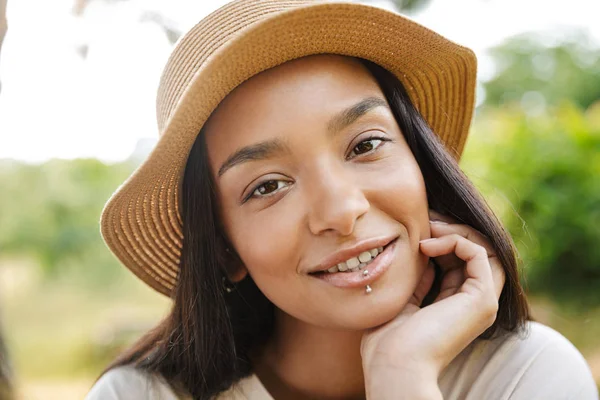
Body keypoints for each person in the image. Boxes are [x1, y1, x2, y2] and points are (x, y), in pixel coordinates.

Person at [85, 1, 599, 399]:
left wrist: (403, 375)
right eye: (267, 186)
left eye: (366, 145)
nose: (341, 210)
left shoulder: (525, 376)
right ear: (224, 248)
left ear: (421, 163)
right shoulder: (140, 395)